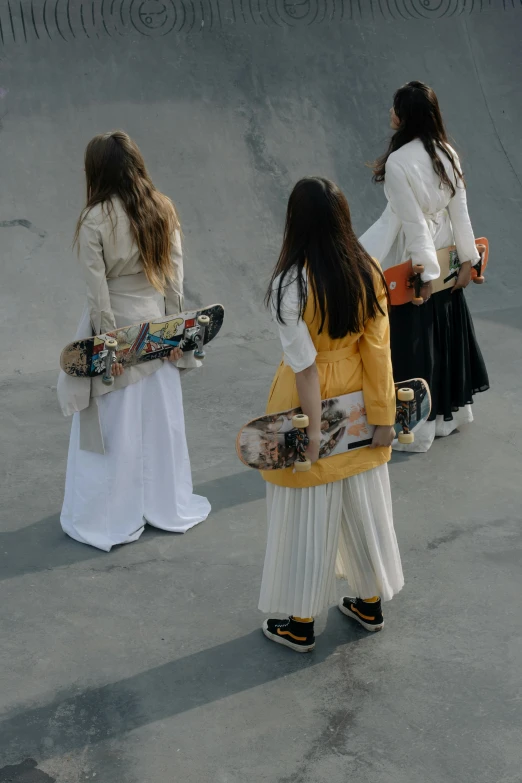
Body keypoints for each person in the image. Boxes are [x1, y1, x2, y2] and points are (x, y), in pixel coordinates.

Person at [258, 177, 404, 653]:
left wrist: (316, 432)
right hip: (360, 396)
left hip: (307, 408)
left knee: (307, 510)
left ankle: (300, 625)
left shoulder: (289, 284)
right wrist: (384, 417)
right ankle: (368, 602)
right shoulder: (368, 270)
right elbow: (378, 350)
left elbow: (303, 367)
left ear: (294, 224)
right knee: (361, 502)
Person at [57, 131, 210, 551]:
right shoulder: (163, 208)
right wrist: (177, 333)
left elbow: (97, 293)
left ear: (98, 171)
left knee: (114, 431)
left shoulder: (95, 219)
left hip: (120, 334)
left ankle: (110, 516)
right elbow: (175, 280)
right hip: (158, 331)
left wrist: (109, 347)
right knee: (160, 425)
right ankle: (163, 503)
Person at [360, 81, 489, 452]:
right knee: (444, 331)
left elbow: (414, 222)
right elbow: (460, 212)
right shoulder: (446, 152)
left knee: (413, 341)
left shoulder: (400, 162)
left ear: (406, 116)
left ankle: (417, 429)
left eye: (395, 107)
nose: (390, 113)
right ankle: (449, 417)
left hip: (417, 258)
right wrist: (469, 260)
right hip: (446, 248)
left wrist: (424, 276)